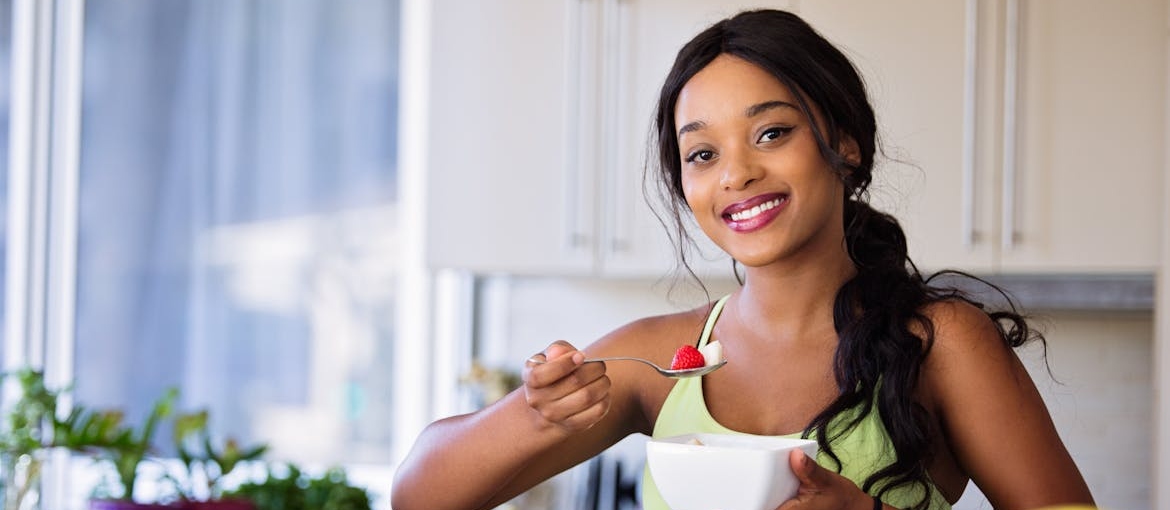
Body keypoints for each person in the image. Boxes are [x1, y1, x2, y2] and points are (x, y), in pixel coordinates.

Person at [391, 9, 1095, 510]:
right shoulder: (663, 361)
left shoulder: (939, 344)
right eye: (702, 153)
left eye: (771, 132)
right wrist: (536, 417)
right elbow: (420, 494)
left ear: (843, 143)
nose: (735, 173)